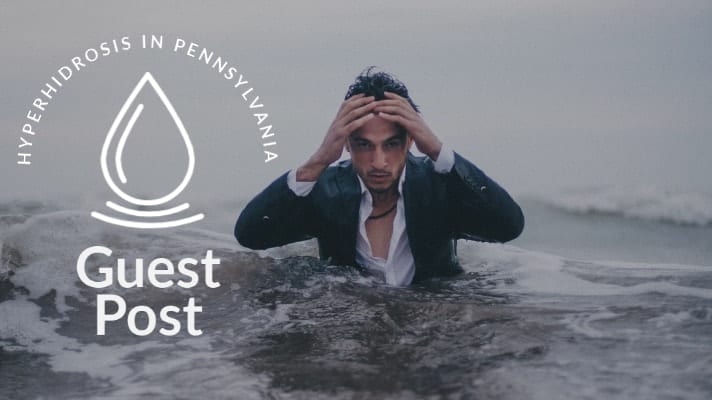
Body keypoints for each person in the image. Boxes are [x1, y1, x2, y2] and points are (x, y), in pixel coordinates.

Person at [235, 68, 524, 286]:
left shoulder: (440, 186)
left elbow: (508, 225)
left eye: (391, 144)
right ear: (346, 143)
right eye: (364, 145)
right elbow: (251, 235)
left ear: (410, 141)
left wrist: (436, 149)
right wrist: (318, 160)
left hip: (433, 331)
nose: (378, 162)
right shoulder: (326, 190)